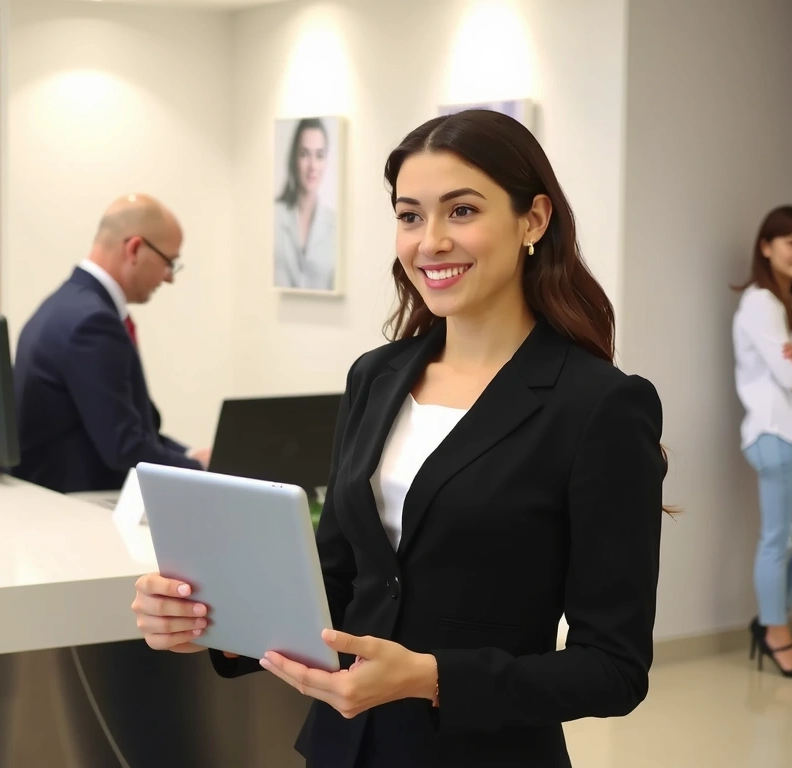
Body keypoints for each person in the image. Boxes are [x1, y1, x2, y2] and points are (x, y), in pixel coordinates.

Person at [132, 110, 667, 767]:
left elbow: (613, 668)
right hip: (344, 748)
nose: (430, 241)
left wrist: (430, 678)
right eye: (410, 216)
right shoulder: (376, 377)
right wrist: (214, 623)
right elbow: (338, 580)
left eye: (462, 211)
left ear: (533, 220)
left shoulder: (599, 405)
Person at [13, 194, 209, 494]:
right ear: (134, 249)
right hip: (75, 506)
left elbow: (126, 426)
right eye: (169, 263)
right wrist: (201, 471)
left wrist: (190, 455)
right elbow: (124, 448)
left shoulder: (64, 305)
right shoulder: (92, 323)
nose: (169, 278)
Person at [732, 204, 792, 680]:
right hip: (778, 434)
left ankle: (770, 622)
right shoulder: (760, 303)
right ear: (766, 247)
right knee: (780, 539)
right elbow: (791, 375)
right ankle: (777, 636)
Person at [274, 117, 338, 291]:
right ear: (294, 158)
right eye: (304, 154)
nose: (312, 166)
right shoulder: (274, 216)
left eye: (319, 155)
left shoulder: (336, 226)